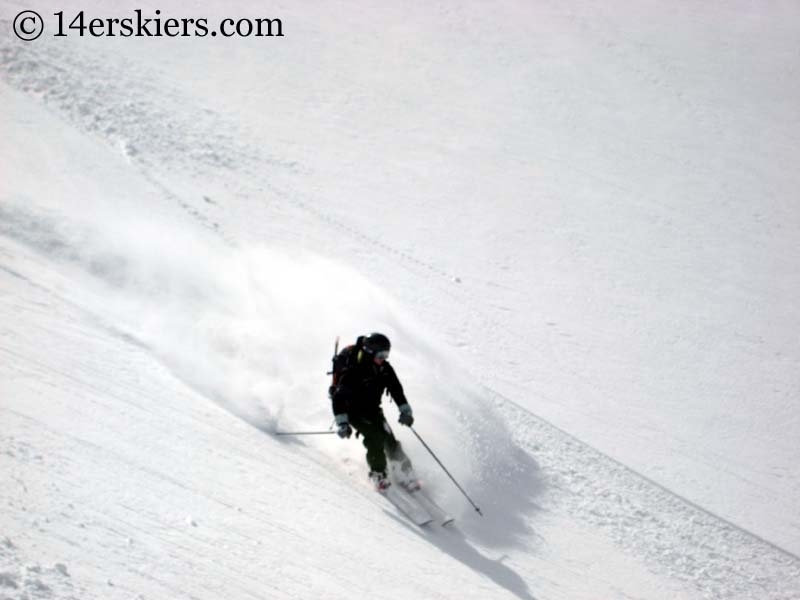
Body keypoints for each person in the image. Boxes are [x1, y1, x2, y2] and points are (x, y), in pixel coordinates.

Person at [329, 333, 415, 491]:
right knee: (375, 437)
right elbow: (338, 399)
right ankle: (378, 474)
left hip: (373, 410)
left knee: (389, 439)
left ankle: (405, 472)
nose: (384, 358)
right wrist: (342, 423)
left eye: (386, 354)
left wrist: (405, 411)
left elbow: (396, 390)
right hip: (353, 412)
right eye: (381, 354)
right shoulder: (353, 371)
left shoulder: (384, 369)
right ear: (370, 352)